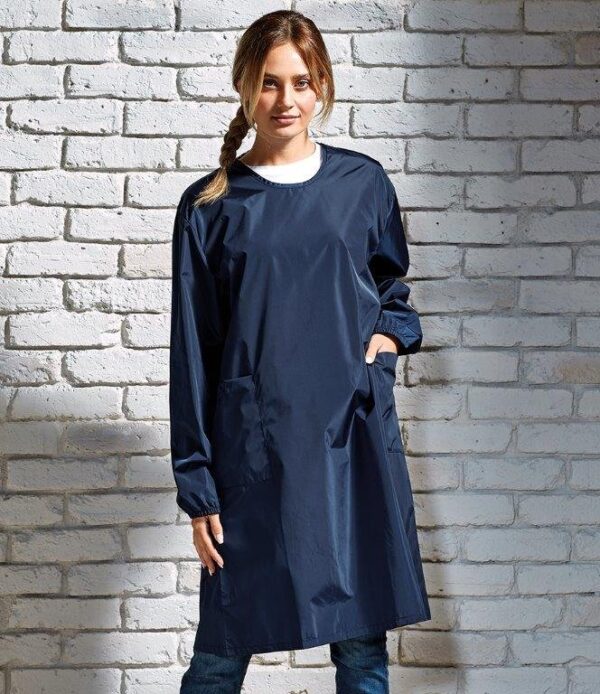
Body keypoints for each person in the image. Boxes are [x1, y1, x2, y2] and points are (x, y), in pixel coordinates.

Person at [169, 10, 431, 693]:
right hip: (253, 454)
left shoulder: (362, 185)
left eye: (302, 82)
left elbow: (392, 290)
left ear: (323, 87)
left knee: (362, 649)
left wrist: (385, 340)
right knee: (223, 651)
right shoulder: (210, 206)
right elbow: (192, 352)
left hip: (350, 442)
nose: (286, 100)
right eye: (269, 82)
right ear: (244, 86)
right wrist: (197, 485)